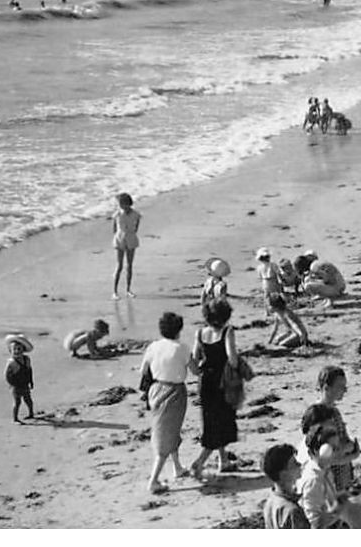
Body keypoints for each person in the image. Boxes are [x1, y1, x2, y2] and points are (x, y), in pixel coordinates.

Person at [138, 311, 192, 494]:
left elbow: (143, 370)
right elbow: (195, 370)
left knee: (169, 429)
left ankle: (177, 467)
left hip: (155, 391)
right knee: (166, 435)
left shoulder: (153, 347)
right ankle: (153, 480)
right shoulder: (182, 348)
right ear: (179, 329)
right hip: (175, 392)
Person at [190, 298, 241, 480]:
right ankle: (199, 463)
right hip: (222, 383)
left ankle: (223, 460)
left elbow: (194, 362)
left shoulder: (199, 333)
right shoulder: (227, 332)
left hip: (205, 382)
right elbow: (232, 359)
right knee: (222, 423)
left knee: (211, 421)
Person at [298, 406, 361, 528]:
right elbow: (315, 523)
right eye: (333, 449)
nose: (337, 453)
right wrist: (340, 506)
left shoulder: (324, 468)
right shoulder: (314, 479)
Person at [313, 366, 359, 495]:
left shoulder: (334, 411)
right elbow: (323, 458)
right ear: (326, 387)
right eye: (340, 387)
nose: (344, 391)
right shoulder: (318, 415)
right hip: (330, 482)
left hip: (341, 478)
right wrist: (351, 452)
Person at [260, 443, 310, 528]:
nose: (299, 465)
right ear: (283, 474)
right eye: (294, 463)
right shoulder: (292, 511)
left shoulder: (270, 501)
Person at [111, 192, 140, 299]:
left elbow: (136, 226)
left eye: (121, 203)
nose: (120, 206)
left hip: (131, 238)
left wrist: (131, 233)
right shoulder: (117, 214)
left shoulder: (135, 214)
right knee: (119, 266)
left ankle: (128, 289)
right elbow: (114, 228)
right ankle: (115, 291)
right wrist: (117, 237)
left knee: (129, 265)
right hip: (120, 239)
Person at [5, 334, 36, 423]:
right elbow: (7, 375)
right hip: (16, 385)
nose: (17, 351)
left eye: (19, 349)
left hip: (25, 383)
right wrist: (12, 384)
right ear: (10, 351)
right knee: (17, 402)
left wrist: (31, 381)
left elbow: (29, 370)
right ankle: (15, 418)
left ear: (23, 350)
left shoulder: (27, 359)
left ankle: (31, 413)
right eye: (14, 349)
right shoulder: (11, 363)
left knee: (28, 400)